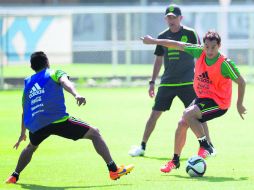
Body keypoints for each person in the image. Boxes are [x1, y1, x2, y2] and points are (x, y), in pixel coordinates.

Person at [6, 51, 134, 184]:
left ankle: (14, 176)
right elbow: (65, 82)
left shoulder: (28, 82)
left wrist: (22, 133)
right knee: (95, 133)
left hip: (37, 124)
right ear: (47, 62)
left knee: (31, 147)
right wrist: (76, 94)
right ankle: (114, 170)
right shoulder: (54, 73)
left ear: (32, 67)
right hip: (58, 120)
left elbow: (24, 110)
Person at [141, 30, 246, 173]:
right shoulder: (199, 52)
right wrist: (154, 41)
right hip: (203, 98)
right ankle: (175, 161)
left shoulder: (224, 64)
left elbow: (241, 82)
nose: (209, 51)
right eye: (206, 47)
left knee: (188, 113)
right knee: (182, 123)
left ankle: (206, 146)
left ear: (219, 46)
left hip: (219, 103)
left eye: (213, 47)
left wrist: (239, 104)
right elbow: (176, 44)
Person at [129, 4, 215, 157]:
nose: (171, 20)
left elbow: (200, 54)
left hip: (188, 82)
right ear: (165, 19)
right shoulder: (162, 35)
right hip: (168, 82)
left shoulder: (190, 33)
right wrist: (152, 81)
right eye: (169, 17)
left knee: (198, 114)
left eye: (174, 17)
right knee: (154, 115)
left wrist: (204, 79)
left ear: (180, 18)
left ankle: (209, 146)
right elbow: (158, 60)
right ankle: (142, 146)